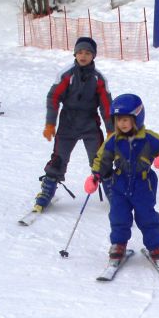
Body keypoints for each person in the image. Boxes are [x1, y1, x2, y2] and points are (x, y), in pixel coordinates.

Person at [86, 93, 159, 266]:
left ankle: (156, 247)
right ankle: (118, 245)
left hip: (143, 185)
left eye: (126, 119)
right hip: (119, 184)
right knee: (118, 216)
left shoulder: (149, 138)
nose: (122, 124)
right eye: (118, 120)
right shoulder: (113, 140)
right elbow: (102, 158)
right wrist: (95, 176)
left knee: (147, 217)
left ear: (137, 117)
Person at [34, 36, 112, 211]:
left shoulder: (99, 79)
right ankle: (47, 189)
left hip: (90, 126)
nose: (83, 56)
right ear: (75, 54)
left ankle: (112, 191)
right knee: (58, 158)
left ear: (93, 56)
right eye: (80, 52)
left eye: (88, 53)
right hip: (67, 125)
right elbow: (53, 97)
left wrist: (111, 130)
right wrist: (50, 124)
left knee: (100, 158)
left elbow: (107, 106)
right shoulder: (66, 74)